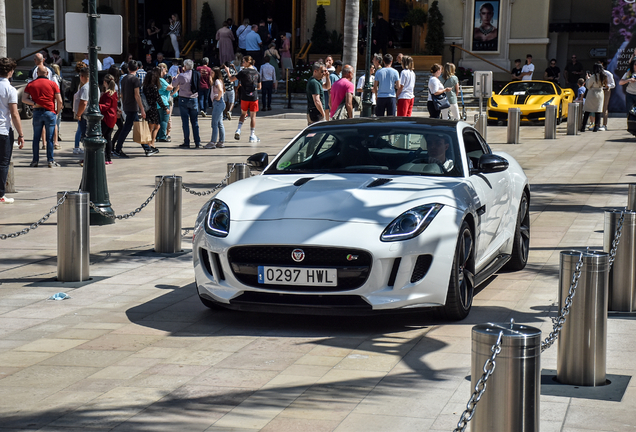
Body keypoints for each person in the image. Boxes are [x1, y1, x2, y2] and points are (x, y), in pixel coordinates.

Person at [22, 65, 62, 168]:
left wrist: (34, 103)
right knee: (49, 139)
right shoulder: (53, 84)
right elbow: (60, 100)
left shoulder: (31, 84)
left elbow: (24, 99)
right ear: (47, 73)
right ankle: (50, 161)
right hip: (50, 112)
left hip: (37, 113)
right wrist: (57, 111)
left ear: (37, 74)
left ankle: (35, 161)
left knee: (36, 138)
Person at [0, 57, 25, 204]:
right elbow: (15, 114)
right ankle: (0, 194)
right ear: (10, 72)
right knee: (3, 163)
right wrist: (21, 134)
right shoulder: (10, 89)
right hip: (3, 129)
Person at [114, 60, 148, 158]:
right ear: (137, 68)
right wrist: (142, 108)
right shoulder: (135, 80)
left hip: (127, 106)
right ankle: (118, 149)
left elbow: (122, 94)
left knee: (134, 127)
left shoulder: (124, 79)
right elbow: (137, 95)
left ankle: (146, 148)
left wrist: (123, 105)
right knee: (127, 128)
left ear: (128, 68)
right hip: (133, 107)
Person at [225, 56, 261, 142]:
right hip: (254, 97)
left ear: (248, 62)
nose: (242, 63)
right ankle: (252, 135)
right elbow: (259, 87)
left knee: (243, 114)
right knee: (253, 117)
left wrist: (228, 72)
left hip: (245, 96)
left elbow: (231, 79)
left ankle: (238, 129)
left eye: (244, 61)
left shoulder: (243, 72)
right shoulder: (257, 73)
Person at [173, 59, 201, 148]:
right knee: (195, 122)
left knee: (185, 122)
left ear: (185, 66)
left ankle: (186, 142)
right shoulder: (196, 74)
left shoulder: (181, 75)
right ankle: (197, 142)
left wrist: (176, 76)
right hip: (194, 99)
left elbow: (174, 84)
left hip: (183, 99)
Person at [142, 68, 167, 153]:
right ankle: (151, 144)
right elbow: (158, 99)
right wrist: (165, 108)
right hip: (153, 108)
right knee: (153, 127)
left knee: (154, 126)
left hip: (147, 108)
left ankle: (151, 144)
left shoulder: (145, 87)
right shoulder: (154, 87)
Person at [581, 63, 606, 133]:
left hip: (592, 93)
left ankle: (583, 127)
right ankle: (596, 127)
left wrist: (587, 79)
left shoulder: (593, 76)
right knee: (598, 110)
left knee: (587, 110)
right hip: (600, 93)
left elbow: (588, 86)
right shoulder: (604, 76)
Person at [99, 74, 118, 164]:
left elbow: (106, 106)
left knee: (102, 136)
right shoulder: (114, 93)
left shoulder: (107, 94)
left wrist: (97, 105)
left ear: (105, 82)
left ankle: (104, 157)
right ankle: (108, 158)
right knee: (108, 137)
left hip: (106, 117)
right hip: (112, 118)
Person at [205, 67, 226, 149]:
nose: (211, 74)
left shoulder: (217, 81)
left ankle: (213, 141)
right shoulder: (218, 81)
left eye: (212, 73)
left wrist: (218, 97)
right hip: (219, 103)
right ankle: (221, 141)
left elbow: (220, 90)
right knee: (220, 123)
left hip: (218, 103)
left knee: (214, 123)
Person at [72, 68, 90, 156]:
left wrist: (78, 114)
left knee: (85, 135)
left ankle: (86, 155)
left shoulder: (85, 88)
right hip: (87, 115)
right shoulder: (93, 86)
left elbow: (84, 102)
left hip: (85, 115)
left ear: (82, 76)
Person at [156, 62, 175, 142]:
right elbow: (170, 87)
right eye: (163, 71)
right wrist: (173, 81)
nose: (165, 73)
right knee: (164, 120)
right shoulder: (160, 80)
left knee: (159, 120)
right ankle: (162, 136)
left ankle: (158, 136)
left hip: (158, 102)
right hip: (163, 102)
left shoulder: (156, 80)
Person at [600, 61, 615, 131]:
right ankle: (595, 123)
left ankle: (604, 124)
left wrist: (607, 86)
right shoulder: (596, 74)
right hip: (598, 91)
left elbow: (613, 84)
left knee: (604, 107)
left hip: (606, 90)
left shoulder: (608, 74)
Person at [50, 63, 63, 149]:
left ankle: (55, 137)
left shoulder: (53, 79)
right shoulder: (59, 79)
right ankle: (56, 136)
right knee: (57, 121)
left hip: (55, 101)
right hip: (58, 101)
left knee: (55, 120)